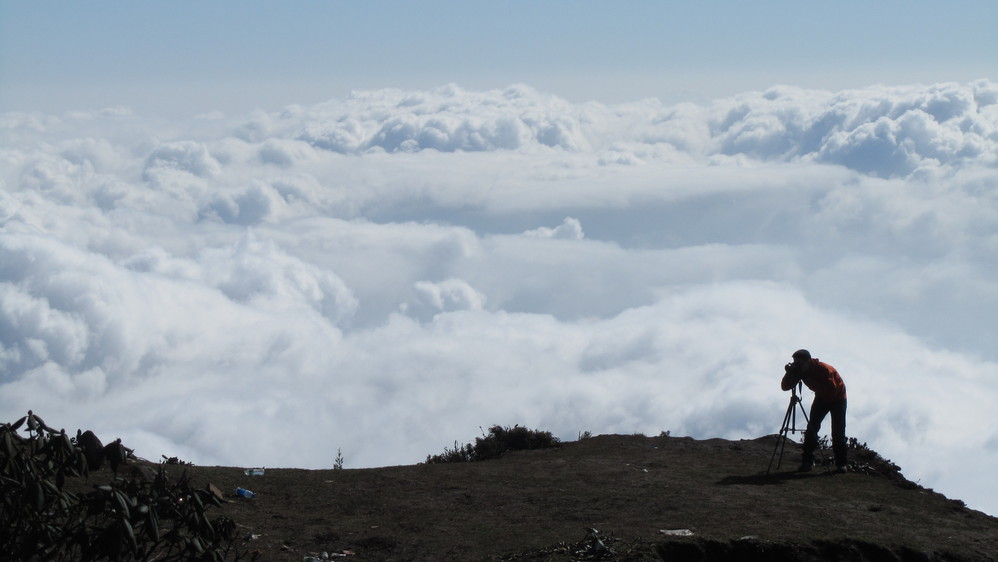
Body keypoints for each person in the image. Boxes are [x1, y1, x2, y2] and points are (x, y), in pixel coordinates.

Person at [781, 349, 848, 473]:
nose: (797, 365)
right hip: (821, 398)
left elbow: (831, 389)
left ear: (808, 361)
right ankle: (807, 462)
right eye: (795, 363)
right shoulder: (801, 371)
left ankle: (841, 464)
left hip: (838, 398)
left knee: (838, 432)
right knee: (812, 428)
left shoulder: (824, 369)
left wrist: (812, 381)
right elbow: (785, 387)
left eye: (799, 363)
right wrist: (789, 373)